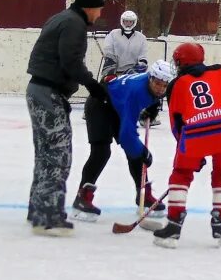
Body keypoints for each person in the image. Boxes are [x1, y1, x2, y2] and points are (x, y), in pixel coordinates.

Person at [25, 0, 111, 236]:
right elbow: (70, 61)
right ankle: (48, 217)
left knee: (45, 153)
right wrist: (92, 84)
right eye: (99, 9)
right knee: (57, 154)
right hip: (49, 91)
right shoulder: (74, 24)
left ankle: (39, 209)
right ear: (90, 7)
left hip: (39, 89)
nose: (100, 14)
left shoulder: (61, 18)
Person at [153, 42, 221, 248]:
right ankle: (219, 219)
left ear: (181, 62)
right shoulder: (219, 71)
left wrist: (189, 150)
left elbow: (176, 123)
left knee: (181, 173)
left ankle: (174, 223)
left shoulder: (176, 84)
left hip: (195, 134)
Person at [71, 60, 175, 221]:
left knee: (134, 153)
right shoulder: (136, 93)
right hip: (100, 105)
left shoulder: (152, 85)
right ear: (151, 78)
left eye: (164, 85)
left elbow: (153, 96)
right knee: (102, 152)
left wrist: (152, 107)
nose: (160, 88)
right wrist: (144, 153)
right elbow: (127, 136)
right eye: (157, 84)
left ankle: (143, 194)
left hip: (117, 104)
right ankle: (82, 197)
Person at [100, 10, 160, 128]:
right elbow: (109, 52)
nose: (127, 24)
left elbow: (143, 55)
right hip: (114, 68)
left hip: (132, 70)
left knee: (145, 87)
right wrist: (110, 70)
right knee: (103, 85)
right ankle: (93, 110)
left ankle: (148, 115)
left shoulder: (141, 37)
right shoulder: (113, 34)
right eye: (126, 21)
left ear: (134, 22)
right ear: (122, 21)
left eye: (130, 22)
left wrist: (142, 64)